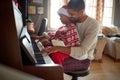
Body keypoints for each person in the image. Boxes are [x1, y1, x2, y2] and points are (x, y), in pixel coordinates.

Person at [41, 0, 99, 73]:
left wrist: (57, 48)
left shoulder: (93, 25)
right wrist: (48, 38)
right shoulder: (74, 20)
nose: (69, 16)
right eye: (68, 13)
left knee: (50, 66)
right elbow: (62, 34)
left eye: (72, 14)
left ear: (81, 12)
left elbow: (82, 51)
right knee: (46, 53)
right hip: (71, 54)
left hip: (83, 59)